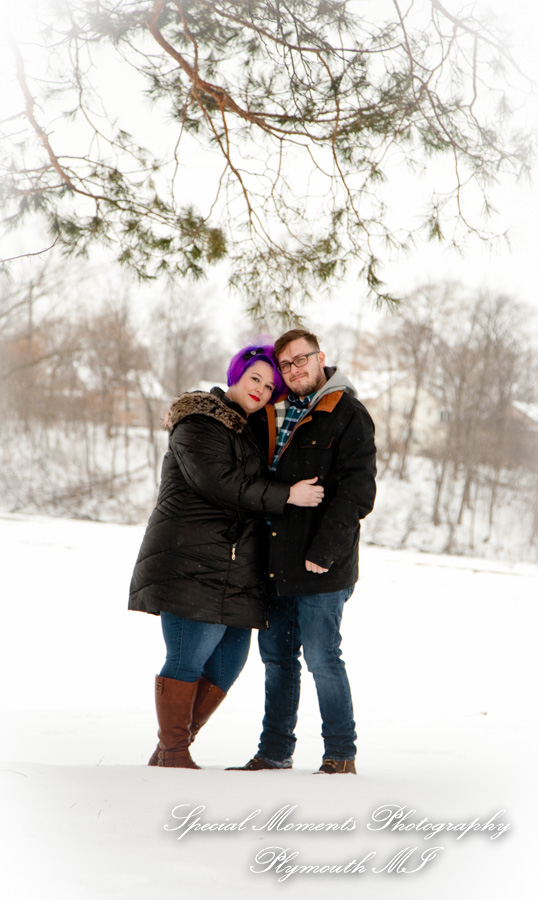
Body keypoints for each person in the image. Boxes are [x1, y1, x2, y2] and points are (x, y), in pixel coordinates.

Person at [129, 343, 324, 769]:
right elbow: (219, 482)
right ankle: (174, 753)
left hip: (236, 567)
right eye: (255, 378)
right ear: (235, 376)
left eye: (269, 386)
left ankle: (169, 751)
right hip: (191, 560)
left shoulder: (249, 431)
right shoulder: (198, 422)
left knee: (228, 664)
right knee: (187, 657)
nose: (261, 389)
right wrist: (286, 495)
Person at [228, 328, 376, 774]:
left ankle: (340, 754)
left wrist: (324, 551)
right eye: (285, 364)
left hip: (321, 565)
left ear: (320, 358)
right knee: (277, 659)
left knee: (322, 658)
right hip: (275, 561)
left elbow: (358, 493)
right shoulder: (271, 413)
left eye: (301, 359)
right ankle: (274, 751)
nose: (294, 370)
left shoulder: (347, 413)